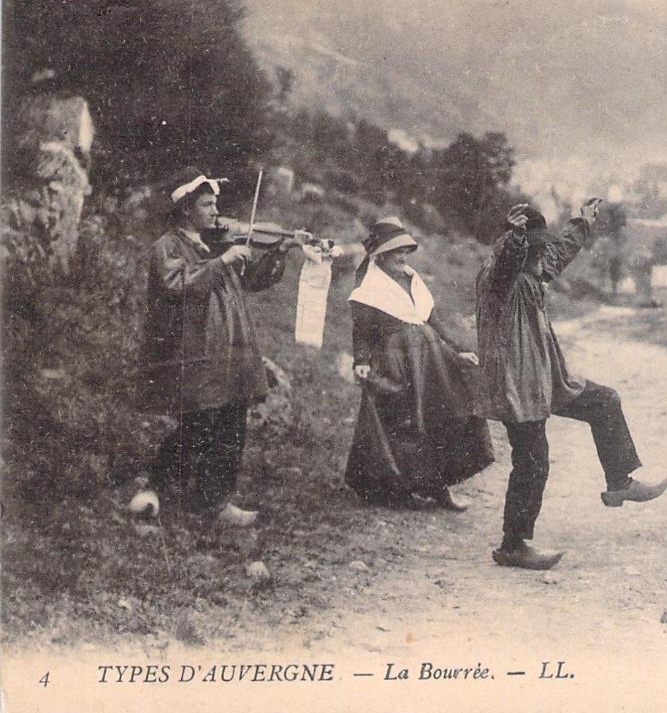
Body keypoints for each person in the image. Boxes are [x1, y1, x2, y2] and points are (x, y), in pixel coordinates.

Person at [476, 199, 667, 570]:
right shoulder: (498, 279)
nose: (543, 255)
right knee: (533, 462)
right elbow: (506, 265)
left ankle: (619, 481)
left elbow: (557, 253)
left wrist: (581, 222)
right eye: (535, 248)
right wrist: (514, 239)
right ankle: (513, 545)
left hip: (546, 380)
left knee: (604, 401)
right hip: (516, 388)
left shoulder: (532, 269)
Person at [128, 166, 309, 526]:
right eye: (207, 205)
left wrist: (281, 250)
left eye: (215, 204)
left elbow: (253, 280)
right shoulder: (168, 246)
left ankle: (214, 502)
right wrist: (222, 260)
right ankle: (156, 486)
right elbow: (177, 284)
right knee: (199, 422)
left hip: (230, 349)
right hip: (194, 350)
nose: (215, 211)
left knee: (231, 423)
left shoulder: (215, 244)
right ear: (186, 209)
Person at [345, 217, 494, 510]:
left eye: (405, 250)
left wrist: (458, 350)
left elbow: (433, 321)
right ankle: (400, 489)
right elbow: (361, 332)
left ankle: (439, 488)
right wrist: (361, 361)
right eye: (395, 251)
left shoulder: (412, 279)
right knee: (404, 424)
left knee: (441, 416)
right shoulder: (368, 288)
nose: (402, 256)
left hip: (430, 360)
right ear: (380, 255)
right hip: (395, 362)